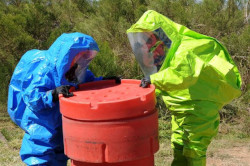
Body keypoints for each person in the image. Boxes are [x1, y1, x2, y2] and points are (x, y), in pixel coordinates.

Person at [127, 10, 241, 166]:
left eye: (149, 38)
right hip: (181, 110)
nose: (147, 44)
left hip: (198, 109)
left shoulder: (184, 49)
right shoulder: (167, 53)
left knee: (194, 150)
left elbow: (181, 76)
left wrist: (152, 80)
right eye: (144, 40)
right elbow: (164, 80)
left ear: (160, 32)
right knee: (179, 145)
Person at [7, 32, 120, 166]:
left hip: (63, 120)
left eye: (88, 56)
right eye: (82, 55)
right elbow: (32, 97)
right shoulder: (44, 70)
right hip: (41, 122)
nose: (85, 60)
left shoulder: (78, 70)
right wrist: (53, 94)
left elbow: (87, 84)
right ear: (69, 54)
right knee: (40, 155)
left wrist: (103, 82)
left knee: (61, 154)